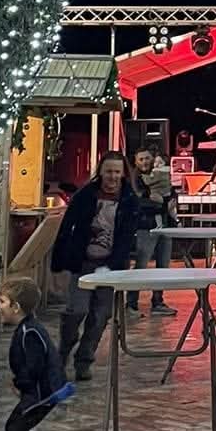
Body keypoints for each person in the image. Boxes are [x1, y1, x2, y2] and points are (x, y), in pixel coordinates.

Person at [51, 153, 139, 380]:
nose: (112, 176)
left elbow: (127, 238)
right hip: (82, 264)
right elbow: (66, 228)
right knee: (76, 310)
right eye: (108, 171)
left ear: (123, 173)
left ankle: (84, 359)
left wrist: (113, 265)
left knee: (101, 315)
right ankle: (62, 352)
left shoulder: (129, 200)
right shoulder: (85, 195)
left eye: (117, 172)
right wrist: (58, 265)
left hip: (111, 268)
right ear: (101, 171)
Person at [0, 278, 69, 431]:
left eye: (2, 301)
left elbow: (34, 366)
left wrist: (21, 384)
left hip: (42, 393)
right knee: (16, 426)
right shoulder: (27, 327)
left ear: (16, 307)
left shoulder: (30, 331)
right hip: (40, 391)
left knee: (16, 428)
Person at [130, 146, 177, 318]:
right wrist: (162, 204)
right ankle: (131, 304)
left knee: (163, 266)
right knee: (141, 266)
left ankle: (158, 302)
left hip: (165, 225)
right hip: (146, 227)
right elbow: (139, 203)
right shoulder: (135, 181)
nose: (144, 162)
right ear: (136, 162)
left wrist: (170, 201)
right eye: (141, 159)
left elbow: (172, 193)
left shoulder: (161, 174)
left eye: (147, 158)